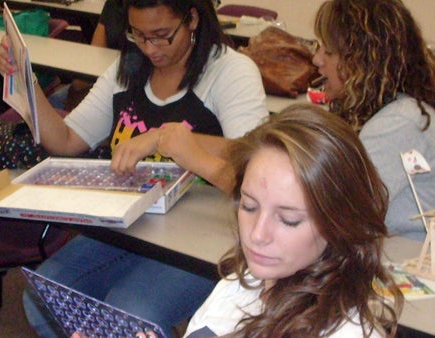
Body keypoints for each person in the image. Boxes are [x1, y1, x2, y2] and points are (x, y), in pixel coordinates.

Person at [0, 0, 268, 337]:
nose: (150, 48)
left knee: (129, 313)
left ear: (192, 18)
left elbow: (257, 164)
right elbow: (65, 140)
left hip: (200, 240)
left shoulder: (229, 71)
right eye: (138, 34)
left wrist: (170, 141)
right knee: (45, 297)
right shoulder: (129, 66)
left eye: (161, 35)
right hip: (130, 226)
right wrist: (26, 79)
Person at [183, 104, 403, 337]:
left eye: (289, 220)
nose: (257, 234)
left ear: (337, 224)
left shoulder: (346, 332)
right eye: (249, 206)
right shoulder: (239, 286)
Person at [312, 0, 435, 241]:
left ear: (362, 61)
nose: (316, 59)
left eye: (328, 51)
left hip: (406, 265)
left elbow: (339, 212)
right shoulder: (380, 109)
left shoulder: (401, 122)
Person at [49, 0, 126, 111]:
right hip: (101, 80)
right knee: (53, 102)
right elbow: (94, 54)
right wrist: (77, 88)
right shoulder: (113, 4)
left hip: (122, 87)